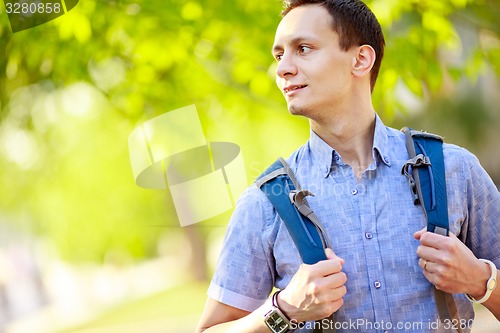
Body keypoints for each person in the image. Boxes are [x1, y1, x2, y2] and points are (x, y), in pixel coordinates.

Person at [196, 0, 500, 332]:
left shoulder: (454, 171)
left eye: (304, 48)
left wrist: (481, 281)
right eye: (279, 55)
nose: (282, 68)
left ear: (360, 59)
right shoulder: (265, 202)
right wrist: (283, 309)